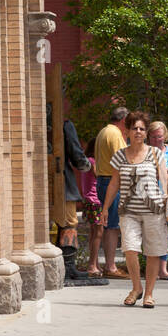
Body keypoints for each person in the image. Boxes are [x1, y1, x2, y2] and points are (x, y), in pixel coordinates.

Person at [100, 110, 168, 308]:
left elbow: (165, 179)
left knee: (153, 252)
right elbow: (113, 183)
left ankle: (149, 293)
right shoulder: (120, 155)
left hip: (154, 210)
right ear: (127, 131)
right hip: (128, 211)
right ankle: (136, 288)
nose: (138, 132)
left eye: (141, 129)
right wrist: (105, 208)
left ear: (146, 133)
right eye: (134, 128)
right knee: (130, 248)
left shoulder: (155, 154)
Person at [57, 117, 108, 286]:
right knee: (69, 223)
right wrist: (88, 166)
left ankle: (63, 266)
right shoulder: (63, 123)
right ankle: (68, 266)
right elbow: (76, 154)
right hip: (61, 181)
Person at [94, 106, 129, 278]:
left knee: (109, 224)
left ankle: (109, 265)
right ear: (123, 120)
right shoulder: (114, 134)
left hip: (104, 180)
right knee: (112, 226)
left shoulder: (104, 131)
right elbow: (121, 160)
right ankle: (110, 266)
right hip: (111, 182)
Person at [147, 120, 168, 281]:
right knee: (157, 233)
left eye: (159, 136)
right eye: (153, 137)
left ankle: (163, 269)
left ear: (165, 135)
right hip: (154, 198)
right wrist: (164, 173)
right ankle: (156, 269)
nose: (156, 140)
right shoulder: (147, 152)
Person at [79, 153, 104, 276]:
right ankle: (92, 265)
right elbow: (99, 175)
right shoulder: (94, 162)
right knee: (98, 233)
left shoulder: (87, 161)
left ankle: (95, 263)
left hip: (89, 200)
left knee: (93, 232)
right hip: (96, 201)